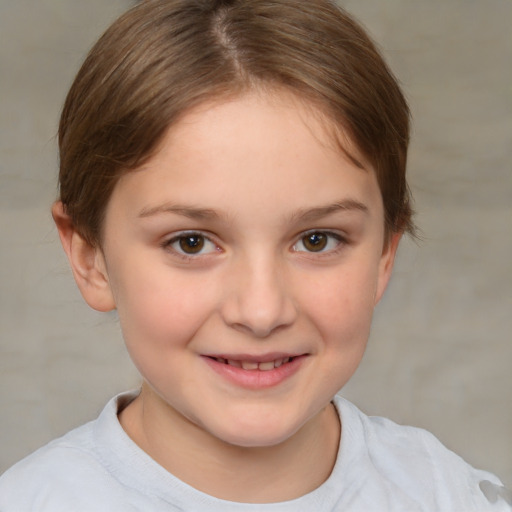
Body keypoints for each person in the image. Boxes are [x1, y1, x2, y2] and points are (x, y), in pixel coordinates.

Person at [0, 0, 509, 510]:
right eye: (191, 242)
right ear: (91, 258)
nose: (262, 312)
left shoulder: (444, 495)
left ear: (383, 255)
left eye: (317, 240)